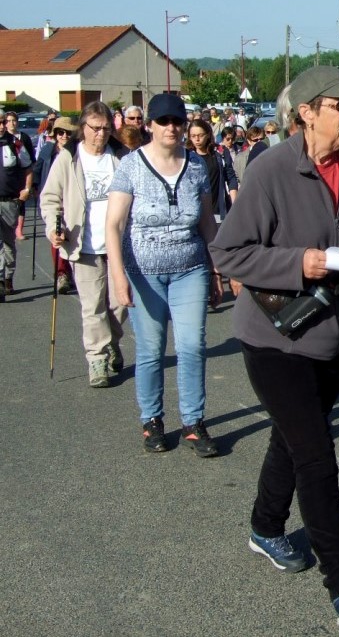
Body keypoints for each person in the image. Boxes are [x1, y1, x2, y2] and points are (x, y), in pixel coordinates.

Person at [209, 66, 339, 631]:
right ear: (307, 112)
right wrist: (299, 263)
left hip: (334, 336)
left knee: (291, 439)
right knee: (315, 455)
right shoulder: (270, 170)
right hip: (275, 338)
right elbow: (228, 253)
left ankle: (266, 528)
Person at [105, 93, 223, 458]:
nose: (171, 127)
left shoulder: (196, 167)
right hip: (143, 272)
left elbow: (206, 222)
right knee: (152, 349)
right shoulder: (131, 165)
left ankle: (193, 422)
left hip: (190, 268)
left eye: (177, 121)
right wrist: (118, 276)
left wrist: (218, 268)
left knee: (191, 346)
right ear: (150, 126)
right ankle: (152, 420)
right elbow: (114, 224)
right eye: (163, 121)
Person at [41, 102, 130, 388]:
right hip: (83, 244)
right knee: (93, 307)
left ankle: (111, 342)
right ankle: (97, 359)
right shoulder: (68, 158)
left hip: (118, 245)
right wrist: (55, 226)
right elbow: (50, 199)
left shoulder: (121, 157)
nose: (100, 134)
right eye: (95, 128)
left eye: (105, 128)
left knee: (120, 304)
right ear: (83, 128)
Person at [34, 116, 77, 294]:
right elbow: (37, 172)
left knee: (73, 239)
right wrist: (35, 189)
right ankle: (61, 273)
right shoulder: (47, 151)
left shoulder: (77, 152)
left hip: (73, 202)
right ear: (55, 134)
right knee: (57, 237)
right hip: (55, 202)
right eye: (60, 132)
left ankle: (73, 272)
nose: (64, 136)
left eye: (68, 132)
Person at [0, 112, 35, 300]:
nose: (1, 126)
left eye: (3, 122)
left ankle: (8, 277)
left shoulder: (16, 143)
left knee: (7, 243)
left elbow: (28, 168)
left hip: (9, 201)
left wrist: (27, 189)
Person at [186, 119, 238, 222]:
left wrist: (235, 205)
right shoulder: (186, 155)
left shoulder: (221, 152)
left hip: (218, 212)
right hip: (194, 213)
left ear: (208, 135)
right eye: (193, 136)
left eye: (200, 135)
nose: (197, 139)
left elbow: (231, 178)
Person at [5, 111, 37, 245]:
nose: (12, 123)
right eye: (8, 121)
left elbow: (30, 158)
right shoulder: (4, 138)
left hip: (22, 173)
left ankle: (19, 230)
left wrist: (31, 184)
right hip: (8, 175)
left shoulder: (23, 137)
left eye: (14, 120)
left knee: (21, 201)